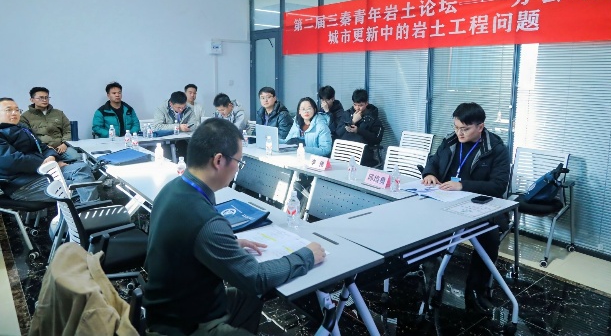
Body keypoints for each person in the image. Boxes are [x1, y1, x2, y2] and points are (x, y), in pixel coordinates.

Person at [143, 118, 325, 335]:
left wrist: (230, 244)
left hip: (168, 306)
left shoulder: (172, 188)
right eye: (239, 161)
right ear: (219, 160)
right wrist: (306, 256)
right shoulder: (207, 222)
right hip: (185, 326)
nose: (238, 168)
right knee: (254, 288)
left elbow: (183, 242)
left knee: (250, 297)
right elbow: (256, 278)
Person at [422, 102, 510, 317]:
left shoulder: (495, 149)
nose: (459, 133)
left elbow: (498, 186)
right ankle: (430, 281)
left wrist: (463, 186)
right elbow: (433, 161)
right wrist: (429, 173)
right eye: (456, 127)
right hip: (444, 202)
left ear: (480, 127)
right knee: (422, 227)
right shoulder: (450, 141)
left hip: (480, 206)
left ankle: (477, 290)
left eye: (465, 129)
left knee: (489, 237)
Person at [0, 98, 98, 202]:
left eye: (17, 110)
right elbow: (14, 161)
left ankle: (88, 208)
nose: (14, 113)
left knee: (82, 168)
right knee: (78, 190)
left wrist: (51, 157)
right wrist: (47, 164)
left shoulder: (22, 128)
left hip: (43, 171)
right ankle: (89, 209)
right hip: (21, 183)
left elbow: (43, 147)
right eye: (9, 110)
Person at [19, 87, 81, 162]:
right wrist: (44, 147)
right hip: (42, 150)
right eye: (41, 98)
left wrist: (65, 144)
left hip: (61, 147)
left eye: (46, 97)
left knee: (77, 157)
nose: (44, 100)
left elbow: (68, 130)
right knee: (49, 164)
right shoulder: (25, 117)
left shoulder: (58, 113)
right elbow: (28, 138)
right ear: (32, 100)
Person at [335, 88, 384, 166]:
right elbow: (338, 132)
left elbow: (377, 139)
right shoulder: (347, 114)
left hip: (364, 154)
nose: (357, 108)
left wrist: (358, 130)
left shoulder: (373, 118)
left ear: (366, 103)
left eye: (360, 105)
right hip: (345, 151)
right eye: (355, 105)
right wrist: (352, 121)